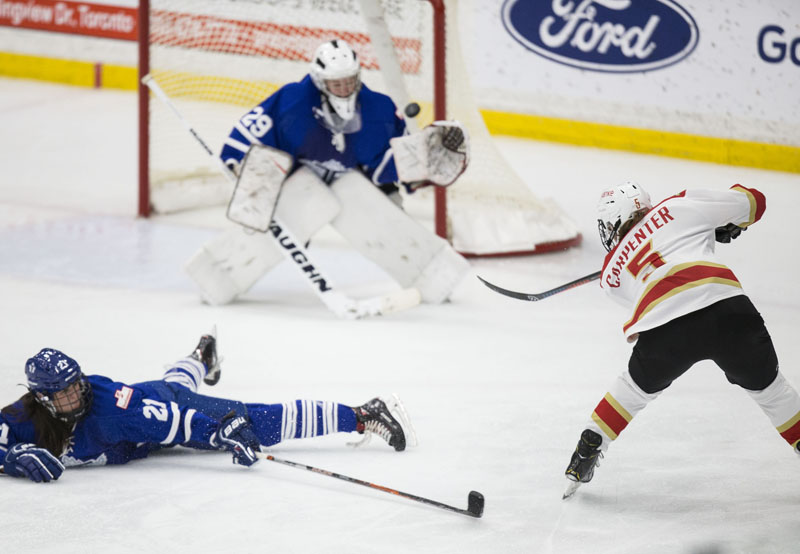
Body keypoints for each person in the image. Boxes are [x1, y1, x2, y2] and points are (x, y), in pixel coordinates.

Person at [186, 39, 470, 307]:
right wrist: (236, 160)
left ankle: (434, 273)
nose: (344, 89)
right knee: (289, 190)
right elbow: (249, 132)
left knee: (381, 209)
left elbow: (389, 163)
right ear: (321, 82)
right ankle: (218, 276)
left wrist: (417, 168)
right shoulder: (292, 101)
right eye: (336, 83)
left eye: (349, 81)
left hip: (354, 179)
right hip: (297, 181)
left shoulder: (379, 109)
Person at [563, 181, 800, 498]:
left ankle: (591, 442)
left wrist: (703, 230)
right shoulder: (678, 205)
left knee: (633, 388)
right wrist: (722, 223)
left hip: (666, 326)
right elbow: (755, 201)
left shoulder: (610, 274)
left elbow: (642, 289)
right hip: (726, 308)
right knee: (772, 391)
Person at [0, 331, 414, 483]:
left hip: (158, 411)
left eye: (77, 384)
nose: (76, 394)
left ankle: (363, 413)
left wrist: (220, 432)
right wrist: (13, 459)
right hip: (152, 409)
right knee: (169, 387)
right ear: (41, 399)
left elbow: (177, 421)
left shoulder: (112, 409)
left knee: (254, 422)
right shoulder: (22, 418)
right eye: (64, 393)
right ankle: (202, 356)